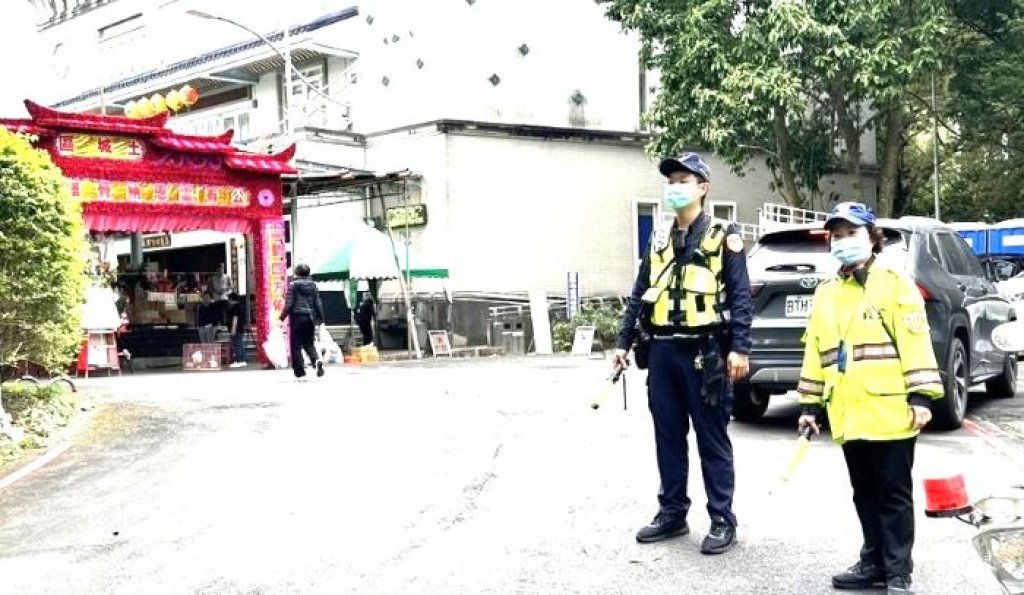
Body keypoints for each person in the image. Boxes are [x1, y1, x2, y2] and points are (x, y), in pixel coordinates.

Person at [796, 202, 942, 594]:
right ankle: (873, 561)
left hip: (892, 409)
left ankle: (898, 571)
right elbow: (815, 350)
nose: (843, 242)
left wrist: (922, 397)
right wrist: (810, 404)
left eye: (851, 233)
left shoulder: (896, 283)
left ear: (873, 237)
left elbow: (915, 341)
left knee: (893, 493)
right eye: (837, 235)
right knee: (864, 493)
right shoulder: (826, 292)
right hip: (847, 410)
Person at [613, 152, 752, 555]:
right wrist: (622, 343)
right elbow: (640, 293)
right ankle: (672, 513)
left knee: (712, 438)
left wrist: (739, 348)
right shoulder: (658, 237)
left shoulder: (724, 235)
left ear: (702, 188)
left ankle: (722, 519)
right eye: (670, 180)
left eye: (683, 180)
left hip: (705, 351)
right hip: (661, 351)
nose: (674, 186)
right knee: (668, 437)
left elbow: (741, 298)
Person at [279, 263, 326, 379]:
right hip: (310, 317)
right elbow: (318, 303)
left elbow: (289, 304)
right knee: (309, 343)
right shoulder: (313, 286)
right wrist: (321, 319)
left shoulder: (293, 285)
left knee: (296, 345)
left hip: (297, 317)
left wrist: (281, 317)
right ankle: (316, 361)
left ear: (297, 273)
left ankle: (300, 372)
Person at [227, 293, 247, 368]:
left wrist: (233, 329)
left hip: (236, 329)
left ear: (231, 299)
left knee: (237, 345)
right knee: (240, 344)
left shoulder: (235, 307)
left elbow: (235, 318)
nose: (228, 301)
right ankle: (242, 360)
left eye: (229, 299)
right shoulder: (241, 306)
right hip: (241, 328)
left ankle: (238, 360)